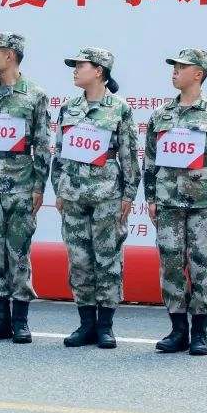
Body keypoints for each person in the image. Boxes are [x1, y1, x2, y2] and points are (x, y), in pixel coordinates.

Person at [144, 49, 207, 356]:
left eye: (182, 67)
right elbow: (150, 159)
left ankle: (199, 332)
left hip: (204, 203)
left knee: (202, 266)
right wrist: (151, 197)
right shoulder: (161, 115)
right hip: (168, 203)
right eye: (174, 66)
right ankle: (177, 331)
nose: (175, 71)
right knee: (170, 265)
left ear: (199, 74)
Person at [50, 47, 140, 349]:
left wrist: (129, 194)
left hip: (107, 195)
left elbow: (129, 155)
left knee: (107, 259)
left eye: (81, 65)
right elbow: (59, 153)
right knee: (79, 260)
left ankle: (105, 326)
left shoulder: (119, 109)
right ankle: (86, 323)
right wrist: (59, 188)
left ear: (99, 71)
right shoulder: (69, 108)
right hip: (73, 194)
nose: (76, 70)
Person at [0, 33, 51, 344]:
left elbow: (42, 145)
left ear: (10, 55)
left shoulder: (34, 96)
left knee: (19, 252)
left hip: (21, 186)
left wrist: (39, 186)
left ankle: (20, 320)